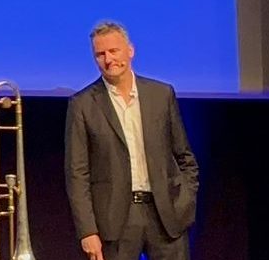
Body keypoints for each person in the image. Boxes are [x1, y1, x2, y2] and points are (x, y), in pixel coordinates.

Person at [64, 21, 200, 260]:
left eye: (113, 51)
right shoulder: (82, 105)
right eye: (100, 54)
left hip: (166, 215)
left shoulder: (161, 95)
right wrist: (87, 231)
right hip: (115, 222)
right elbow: (77, 174)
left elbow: (184, 155)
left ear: (130, 50)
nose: (108, 59)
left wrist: (185, 200)